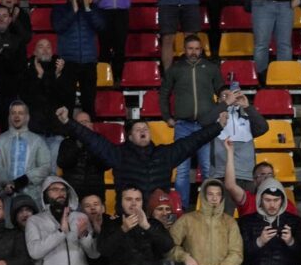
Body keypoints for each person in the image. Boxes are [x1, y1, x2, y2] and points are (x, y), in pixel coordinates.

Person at [55, 106, 226, 197]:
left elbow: (193, 141)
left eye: (145, 128)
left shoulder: (164, 154)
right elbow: (93, 140)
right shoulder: (118, 154)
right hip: (129, 219)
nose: (143, 130)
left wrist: (218, 126)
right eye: (137, 129)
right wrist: (68, 122)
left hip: (158, 216)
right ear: (129, 136)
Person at [161, 35, 222, 204]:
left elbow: (222, 92)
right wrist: (167, 117)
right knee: (181, 170)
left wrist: (220, 115)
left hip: (206, 126)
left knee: (208, 169)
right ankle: (182, 208)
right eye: (190, 48)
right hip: (183, 126)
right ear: (184, 50)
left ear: (201, 50)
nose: (194, 52)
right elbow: (164, 93)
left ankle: (208, 208)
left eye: (197, 48)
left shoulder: (211, 68)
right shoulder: (175, 69)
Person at [169, 179, 243, 265]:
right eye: (210, 194)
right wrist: (184, 257)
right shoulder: (187, 220)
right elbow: (169, 245)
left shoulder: (230, 222)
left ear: (222, 198)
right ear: (203, 196)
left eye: (218, 194)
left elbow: (236, 254)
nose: (214, 198)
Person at [51, 0, 104, 117]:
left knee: (89, 102)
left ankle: (89, 132)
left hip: (89, 61)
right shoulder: (60, 9)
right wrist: (73, 12)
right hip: (68, 61)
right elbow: (58, 27)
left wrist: (87, 9)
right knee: (67, 102)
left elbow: (100, 26)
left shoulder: (92, 9)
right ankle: (67, 134)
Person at [24, 176, 98, 265]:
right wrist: (61, 232)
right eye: (55, 189)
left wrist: (84, 236)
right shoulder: (35, 220)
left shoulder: (80, 217)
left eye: (63, 190)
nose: (61, 193)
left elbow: (93, 254)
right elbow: (34, 253)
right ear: (45, 194)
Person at [99, 186, 174, 265]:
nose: (134, 203)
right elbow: (103, 250)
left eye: (138, 199)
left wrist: (147, 227)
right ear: (120, 202)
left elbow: (168, 246)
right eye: (128, 199)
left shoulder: (153, 223)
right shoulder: (110, 223)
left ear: (142, 202)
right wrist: (122, 230)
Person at [238, 177, 301, 265]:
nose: (272, 205)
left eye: (276, 200)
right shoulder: (246, 222)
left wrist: (291, 242)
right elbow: (239, 256)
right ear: (260, 199)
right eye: (267, 200)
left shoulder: (295, 221)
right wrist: (259, 242)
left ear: (282, 200)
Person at [0, 101, 52, 201]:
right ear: (9, 116)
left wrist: (24, 180)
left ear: (27, 116)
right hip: (5, 195)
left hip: (32, 196)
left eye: (20, 113)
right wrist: (6, 183)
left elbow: (45, 167)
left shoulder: (37, 140)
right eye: (13, 113)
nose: (16, 116)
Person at [0, 4, 32, 111]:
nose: (1, 19)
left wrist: (7, 59)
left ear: (9, 19)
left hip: (11, 91)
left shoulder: (18, 41)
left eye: (4, 16)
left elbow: (22, 67)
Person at [57, 109, 107, 201]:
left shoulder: (100, 141)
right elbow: (63, 163)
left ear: (91, 125)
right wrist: (77, 146)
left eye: (86, 121)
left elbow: (106, 165)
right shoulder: (67, 142)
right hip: (73, 193)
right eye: (80, 122)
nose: (84, 124)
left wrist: (91, 143)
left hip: (95, 193)